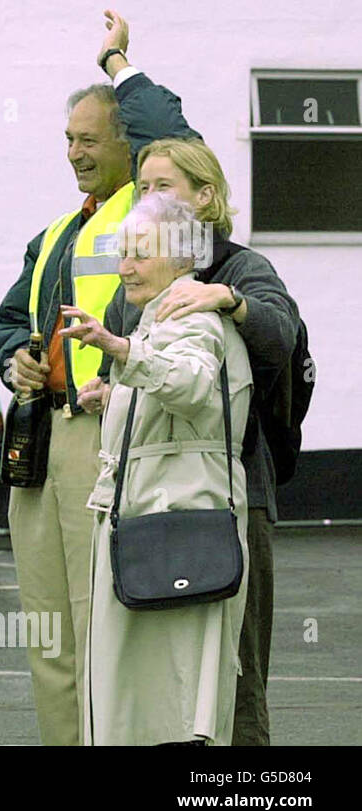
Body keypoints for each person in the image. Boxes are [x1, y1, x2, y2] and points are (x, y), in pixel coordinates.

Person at [84, 16, 302, 744]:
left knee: (230, 680)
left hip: (232, 499)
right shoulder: (139, 279)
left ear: (203, 198)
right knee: (157, 687)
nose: (148, 192)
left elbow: (283, 334)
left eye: (163, 183)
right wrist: (109, 389)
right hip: (146, 504)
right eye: (140, 182)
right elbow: (137, 374)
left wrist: (228, 299)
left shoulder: (239, 268)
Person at [0, 10, 196, 745]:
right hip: (42, 446)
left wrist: (118, 65)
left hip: (104, 436)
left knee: (99, 622)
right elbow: (8, 321)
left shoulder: (154, 211)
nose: (73, 152)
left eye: (87, 139)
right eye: (67, 139)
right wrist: (15, 354)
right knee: (50, 635)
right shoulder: (54, 235)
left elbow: (176, 137)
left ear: (125, 145)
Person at [60, 192, 252, 745]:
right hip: (153, 524)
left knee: (170, 701)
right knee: (146, 698)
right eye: (123, 253)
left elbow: (191, 385)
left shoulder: (192, 315)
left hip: (172, 525)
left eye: (140, 253)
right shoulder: (158, 316)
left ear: (182, 257)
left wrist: (120, 352)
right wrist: (115, 389)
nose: (125, 267)